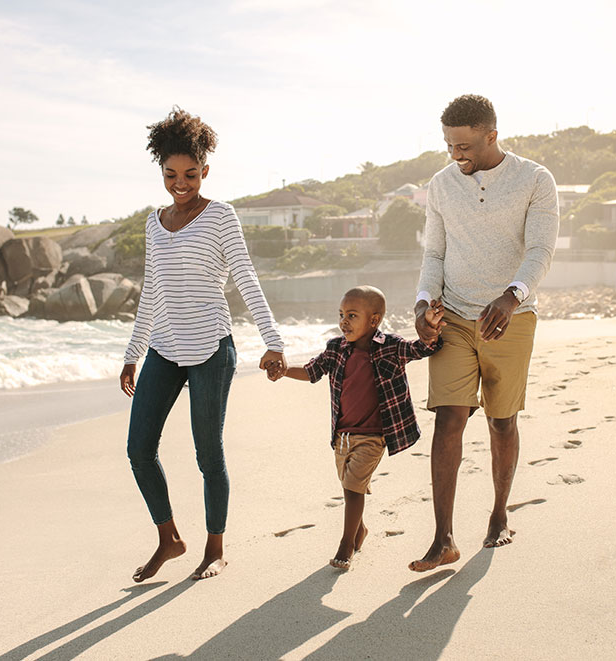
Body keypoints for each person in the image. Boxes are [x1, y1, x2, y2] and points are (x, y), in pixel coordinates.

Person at [120, 107, 286, 582]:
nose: (181, 183)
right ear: (161, 172)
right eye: (171, 174)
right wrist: (133, 353)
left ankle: (215, 548)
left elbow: (245, 277)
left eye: (190, 174)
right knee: (138, 449)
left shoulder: (220, 217)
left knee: (207, 454)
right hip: (164, 349)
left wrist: (272, 341)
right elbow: (152, 289)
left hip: (212, 349)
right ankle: (169, 538)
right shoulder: (155, 223)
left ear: (205, 171)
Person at [410, 94, 559, 572]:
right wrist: (421, 305)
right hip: (452, 315)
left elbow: (540, 249)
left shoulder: (535, 180)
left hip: (511, 318)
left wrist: (511, 296)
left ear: (491, 135)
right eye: (450, 146)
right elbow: (434, 255)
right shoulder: (441, 184)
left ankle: (498, 514)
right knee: (448, 419)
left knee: (501, 421)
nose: (457, 156)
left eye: (465, 147)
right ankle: (443, 538)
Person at [274, 286, 442, 570]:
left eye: (352, 315)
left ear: (374, 320)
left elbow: (421, 348)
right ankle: (360, 529)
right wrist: (284, 370)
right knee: (349, 485)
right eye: (341, 315)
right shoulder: (335, 349)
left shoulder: (389, 345)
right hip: (341, 436)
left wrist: (432, 328)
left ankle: (346, 543)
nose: (344, 322)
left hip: (373, 437)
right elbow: (312, 371)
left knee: (353, 488)